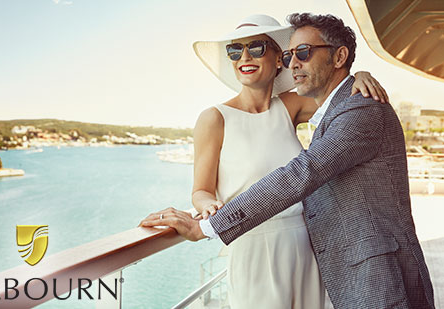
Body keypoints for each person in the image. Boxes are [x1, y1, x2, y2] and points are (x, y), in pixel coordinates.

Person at [141, 14, 392, 308]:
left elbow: (337, 90)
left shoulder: (291, 105)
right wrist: (207, 206)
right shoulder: (214, 118)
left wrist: (359, 75)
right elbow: (200, 190)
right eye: (235, 51)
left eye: (256, 48)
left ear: (278, 59)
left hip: (306, 245)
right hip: (252, 245)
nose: (244, 57)